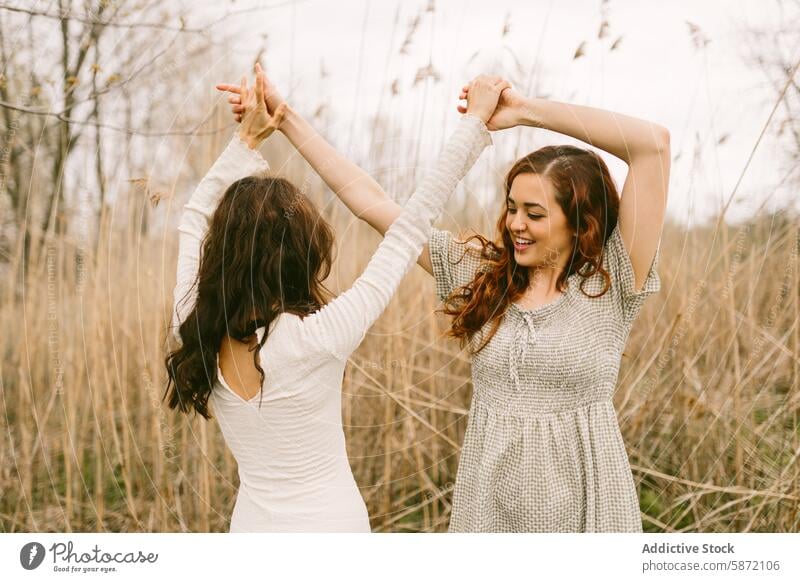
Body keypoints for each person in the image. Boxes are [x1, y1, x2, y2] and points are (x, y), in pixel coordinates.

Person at [219, 72, 671, 532]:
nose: (516, 223)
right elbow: (369, 201)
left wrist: (524, 112)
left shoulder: (610, 283)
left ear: (581, 222)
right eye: (512, 207)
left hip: (589, 512)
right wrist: (287, 118)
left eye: (535, 214)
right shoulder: (484, 275)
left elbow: (652, 145)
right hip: (488, 511)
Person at [164, 64, 506, 532]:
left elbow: (193, 217)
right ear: (302, 255)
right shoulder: (319, 337)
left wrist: (247, 141)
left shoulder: (193, 323)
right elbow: (409, 228)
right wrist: (474, 125)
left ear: (220, 250)